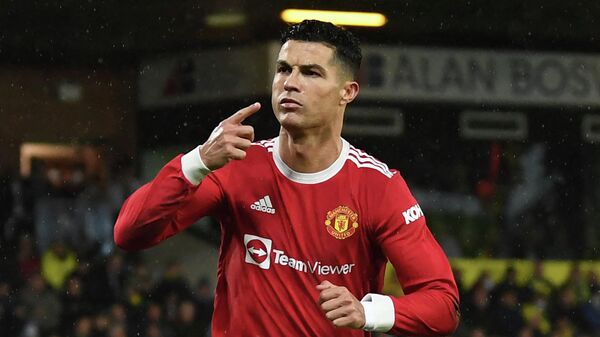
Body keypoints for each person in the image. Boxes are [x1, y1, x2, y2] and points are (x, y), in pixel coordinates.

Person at [114, 19, 459, 336]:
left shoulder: (377, 187)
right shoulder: (235, 165)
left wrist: (368, 312)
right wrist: (196, 161)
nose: (290, 83)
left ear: (348, 92)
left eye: (311, 73)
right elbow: (130, 233)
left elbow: (443, 304)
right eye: (283, 69)